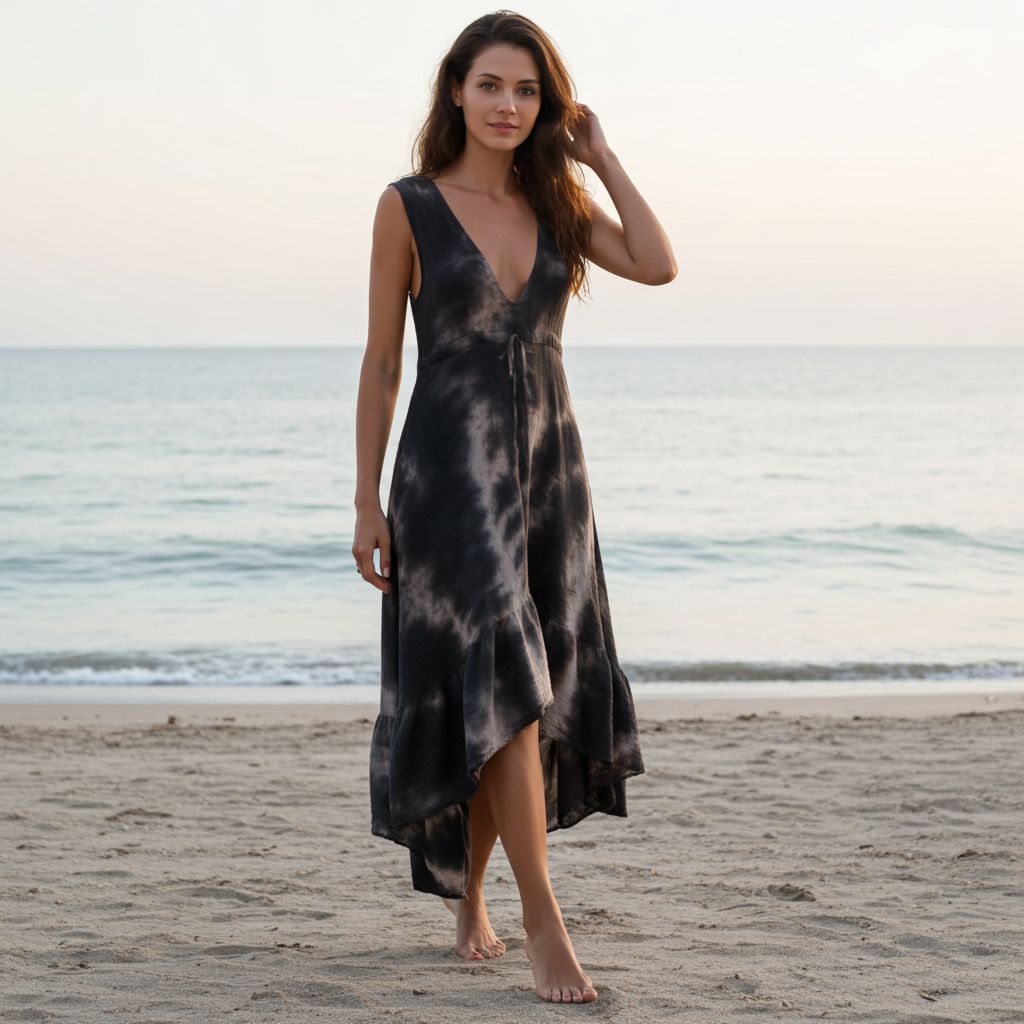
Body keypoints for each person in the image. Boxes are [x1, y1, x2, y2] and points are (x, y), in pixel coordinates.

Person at [352, 10, 676, 1005]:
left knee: (518, 699)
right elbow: (381, 361)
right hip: (447, 482)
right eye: (490, 85)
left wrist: (604, 157)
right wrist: (364, 499)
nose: (506, 105)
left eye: (526, 90)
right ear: (456, 90)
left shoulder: (558, 203)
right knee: (501, 682)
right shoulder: (407, 205)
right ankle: (545, 921)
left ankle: (474, 898)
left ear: (548, 105)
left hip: (548, 479)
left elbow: (657, 262)